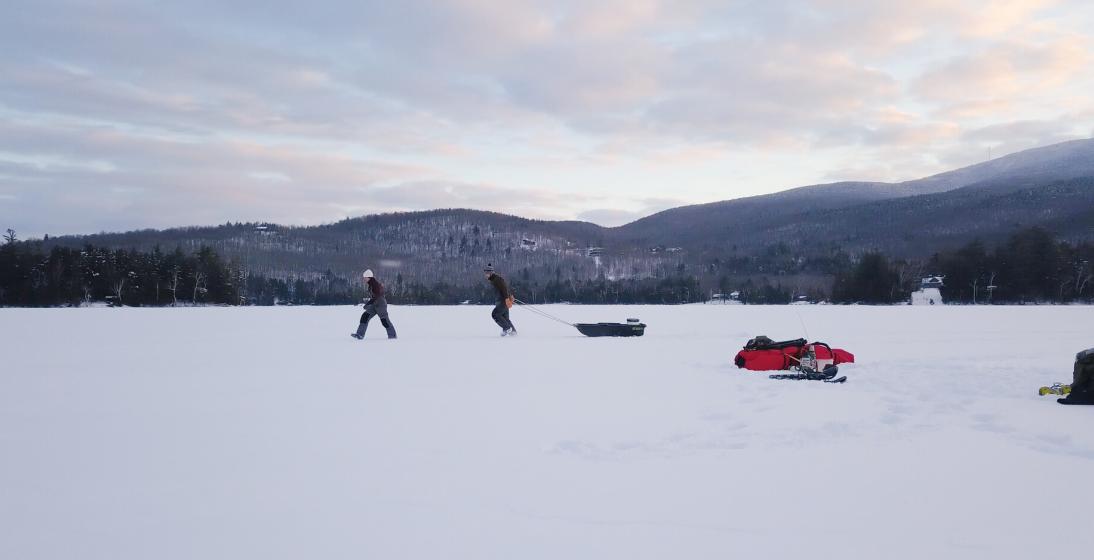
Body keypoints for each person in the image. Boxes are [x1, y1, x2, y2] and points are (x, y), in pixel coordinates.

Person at [351, 269, 397, 340]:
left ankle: (393, 336)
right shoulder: (371, 284)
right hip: (375, 304)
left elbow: (377, 296)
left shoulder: (375, 285)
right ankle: (360, 334)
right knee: (365, 316)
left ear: (369, 277)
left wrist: (368, 303)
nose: (364, 279)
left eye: (365, 278)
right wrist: (370, 303)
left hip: (381, 304)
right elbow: (374, 297)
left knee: (384, 320)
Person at [484, 263, 516, 336]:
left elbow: (504, 288)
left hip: (502, 301)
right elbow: (505, 287)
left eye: (487, 273)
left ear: (491, 272)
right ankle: (513, 333)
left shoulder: (496, 279)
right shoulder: (495, 279)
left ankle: (507, 328)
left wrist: (507, 298)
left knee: (495, 314)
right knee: (505, 318)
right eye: (485, 272)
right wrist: (510, 295)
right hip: (503, 300)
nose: (486, 274)